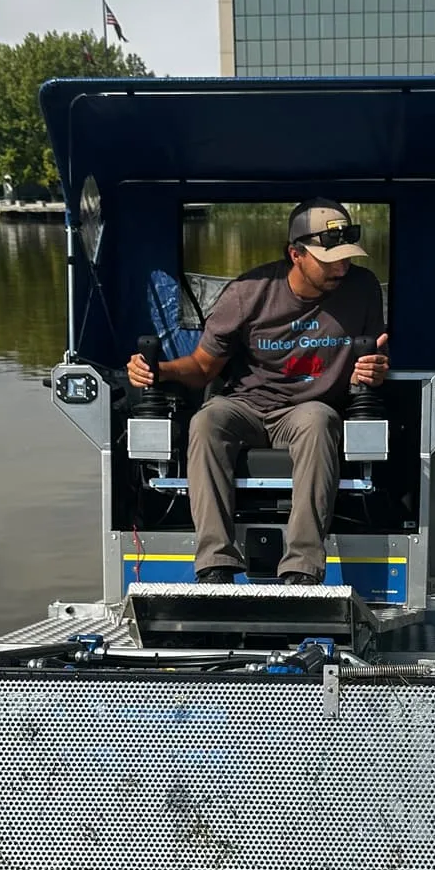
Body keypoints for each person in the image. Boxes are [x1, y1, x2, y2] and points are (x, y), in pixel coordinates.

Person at [126, 199, 388, 583]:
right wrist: (156, 370)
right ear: (295, 254)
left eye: (346, 257)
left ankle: (302, 569)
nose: (341, 267)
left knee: (319, 421)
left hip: (308, 408)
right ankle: (215, 563)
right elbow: (202, 368)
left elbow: (373, 361)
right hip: (245, 405)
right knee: (206, 422)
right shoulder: (247, 293)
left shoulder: (363, 288)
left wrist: (373, 371)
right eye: (329, 260)